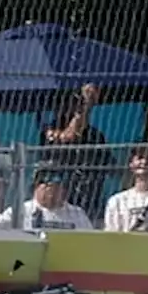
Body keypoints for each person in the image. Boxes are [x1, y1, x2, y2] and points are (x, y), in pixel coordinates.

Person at [39, 84, 111, 219]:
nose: (70, 108)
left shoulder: (95, 135)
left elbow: (109, 164)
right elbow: (69, 137)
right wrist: (86, 108)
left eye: (75, 103)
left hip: (89, 197)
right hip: (59, 199)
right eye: (66, 103)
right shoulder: (49, 131)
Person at [0, 163, 93, 231]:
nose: (50, 186)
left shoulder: (77, 214)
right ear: (35, 186)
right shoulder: (20, 211)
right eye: (44, 181)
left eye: (57, 182)